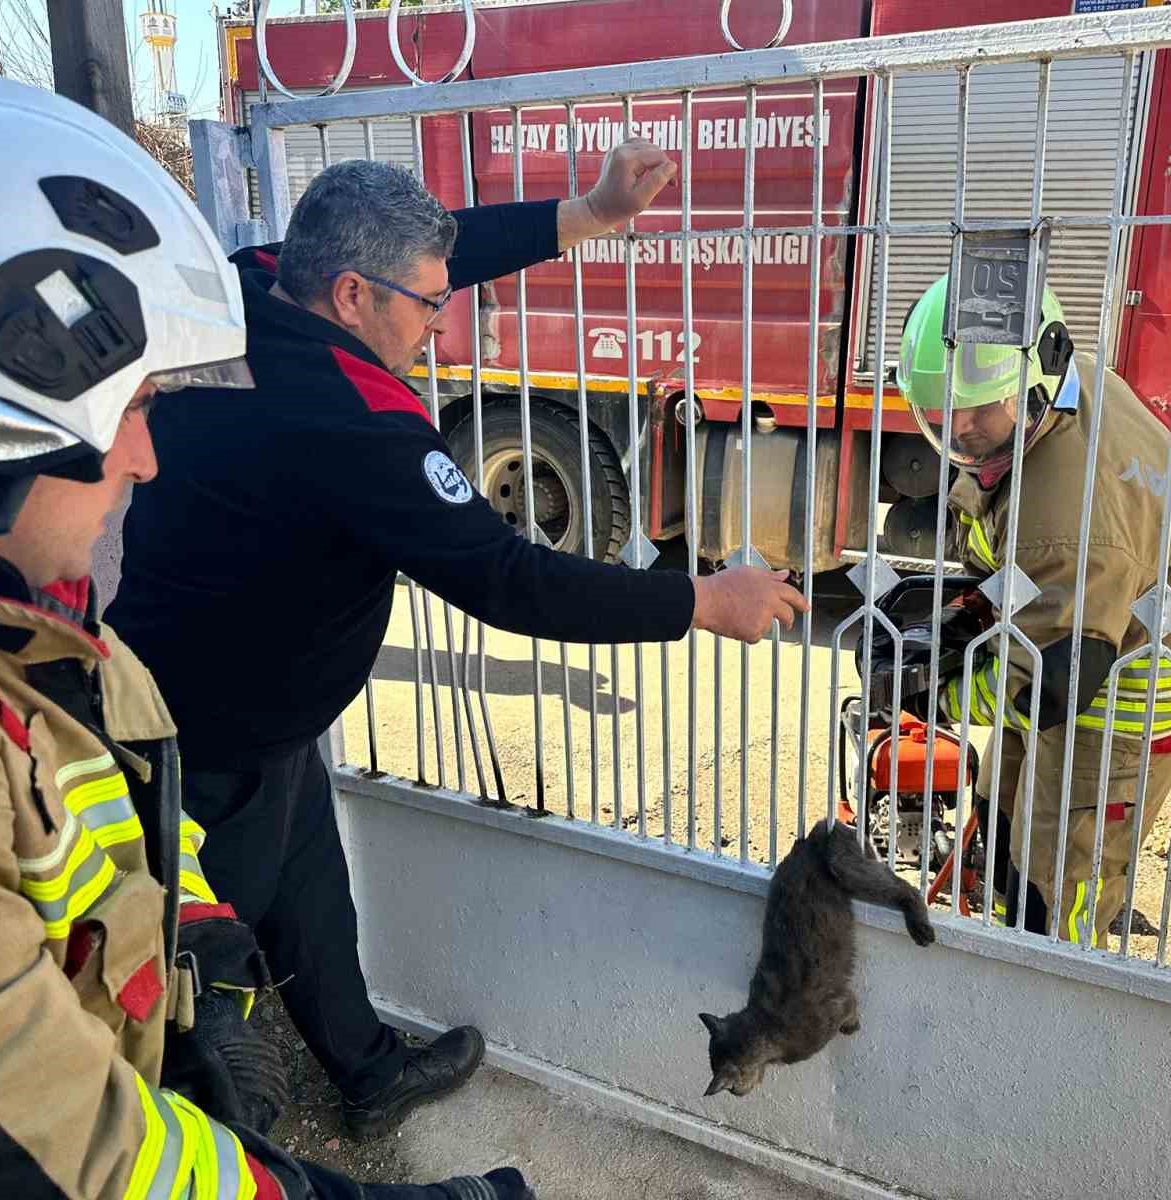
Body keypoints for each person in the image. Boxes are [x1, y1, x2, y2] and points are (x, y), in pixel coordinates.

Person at [0, 72, 530, 1200]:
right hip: (236, 723)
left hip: (264, 721)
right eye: (130, 409)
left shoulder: (16, 620)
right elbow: (63, 1153)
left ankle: (361, 1063)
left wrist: (198, 927)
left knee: (302, 889)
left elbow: (95, 797)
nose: (144, 459)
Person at [105, 150, 808, 1137]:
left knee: (314, 897)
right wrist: (697, 600)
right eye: (430, 306)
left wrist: (589, 211)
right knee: (200, 976)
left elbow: (444, 250)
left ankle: (368, 1074)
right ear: (352, 295)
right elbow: (509, 579)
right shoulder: (353, 423)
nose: (443, 324)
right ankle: (208, 1141)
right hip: (212, 737)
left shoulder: (252, 283)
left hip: (242, 702)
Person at [892, 276, 1171, 946]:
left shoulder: (1068, 520)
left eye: (976, 412)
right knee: (1001, 815)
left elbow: (1045, 687)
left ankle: (1057, 978)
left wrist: (932, 696)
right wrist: (966, 614)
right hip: (1083, 636)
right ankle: (1006, 937)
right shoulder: (1063, 389)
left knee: (1057, 885)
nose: (958, 429)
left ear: (1032, 386)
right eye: (942, 412)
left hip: (1118, 696)